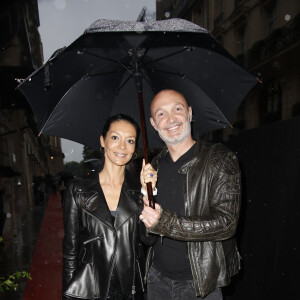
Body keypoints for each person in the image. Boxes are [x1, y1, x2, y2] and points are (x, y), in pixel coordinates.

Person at [139, 89, 241, 299]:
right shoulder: (152, 167)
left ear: (190, 113)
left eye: (177, 109)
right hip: (157, 280)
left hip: (200, 285)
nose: (171, 119)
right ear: (153, 123)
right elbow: (146, 237)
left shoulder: (219, 158)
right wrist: (145, 196)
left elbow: (226, 224)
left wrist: (164, 222)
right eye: (161, 114)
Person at [62, 114, 157, 300]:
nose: (122, 146)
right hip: (91, 288)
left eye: (130, 140)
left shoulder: (140, 191)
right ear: (102, 141)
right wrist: (67, 294)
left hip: (130, 289)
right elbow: (70, 251)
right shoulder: (78, 190)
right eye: (115, 137)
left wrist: (150, 193)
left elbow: (149, 239)